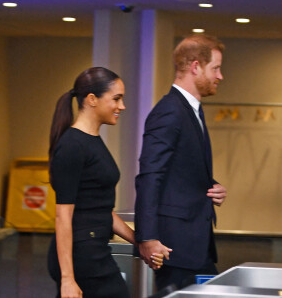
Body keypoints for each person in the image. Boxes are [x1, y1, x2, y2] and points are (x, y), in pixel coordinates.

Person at [47, 67, 164, 298]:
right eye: (116, 99)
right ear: (92, 100)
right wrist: (67, 279)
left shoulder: (92, 141)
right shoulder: (72, 146)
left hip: (94, 249)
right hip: (81, 254)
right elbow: (63, 217)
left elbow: (101, 209)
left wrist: (140, 242)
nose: (122, 106)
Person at [134, 34, 227, 291]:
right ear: (196, 66)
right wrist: (148, 237)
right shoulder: (169, 111)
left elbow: (181, 169)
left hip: (194, 243)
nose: (220, 76)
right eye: (216, 68)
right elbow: (150, 175)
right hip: (176, 245)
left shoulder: (191, 110)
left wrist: (211, 186)